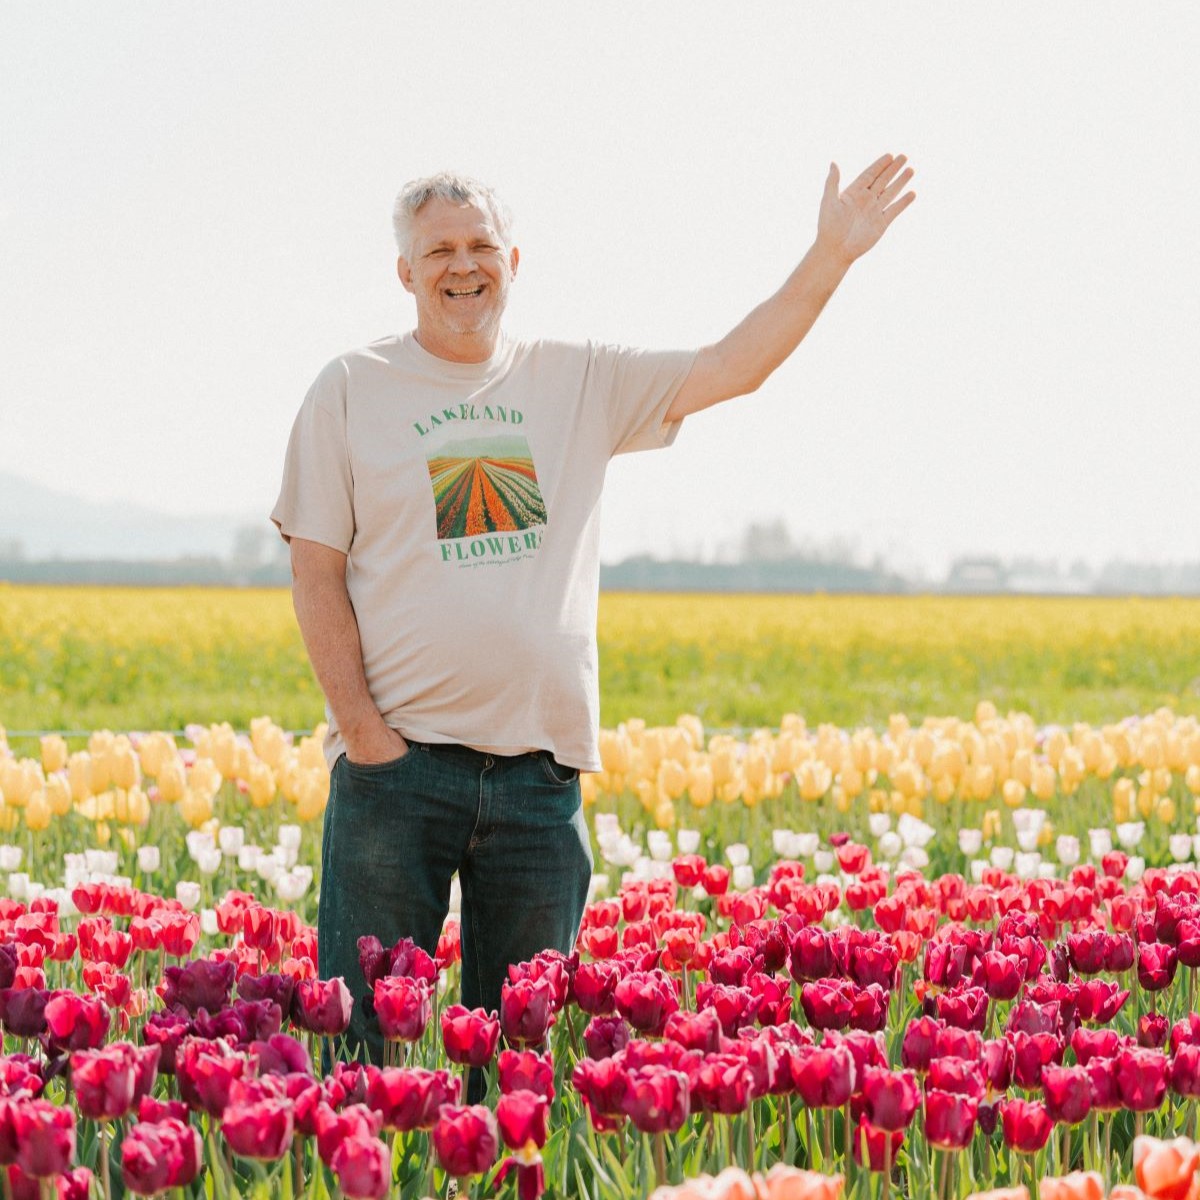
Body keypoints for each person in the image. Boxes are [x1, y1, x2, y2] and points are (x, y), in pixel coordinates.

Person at [271, 156, 915, 1069]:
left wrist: (832, 255)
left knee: (520, 1069)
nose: (464, 265)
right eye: (439, 249)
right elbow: (314, 572)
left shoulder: (577, 380)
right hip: (396, 774)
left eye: (481, 245)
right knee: (364, 1056)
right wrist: (366, 736)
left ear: (515, 260)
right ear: (405, 272)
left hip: (540, 781)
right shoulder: (350, 387)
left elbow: (735, 365)